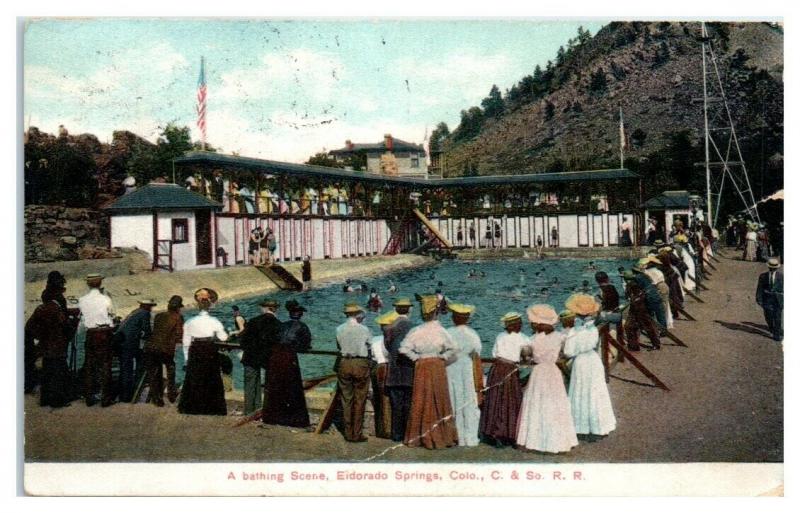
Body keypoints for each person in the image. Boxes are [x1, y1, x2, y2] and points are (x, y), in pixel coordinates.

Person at [516, 304, 578, 453]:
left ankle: (536, 439)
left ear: (538, 323)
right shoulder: (561, 337)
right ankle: (559, 440)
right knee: (556, 404)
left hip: (538, 372)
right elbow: (564, 355)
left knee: (537, 403)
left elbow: (525, 360)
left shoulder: (530, 340)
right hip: (553, 371)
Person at [399, 295, 458, 449]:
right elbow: (454, 349)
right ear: (436, 312)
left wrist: (416, 358)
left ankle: (418, 436)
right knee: (439, 398)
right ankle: (441, 436)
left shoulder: (416, 330)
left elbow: (403, 349)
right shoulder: (441, 331)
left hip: (422, 365)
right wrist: (442, 357)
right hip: (437, 365)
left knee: (420, 398)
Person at [563, 295, 617, 438]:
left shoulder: (575, 332)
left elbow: (568, 352)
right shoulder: (593, 329)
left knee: (580, 391)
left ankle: (581, 426)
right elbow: (594, 343)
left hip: (581, 362)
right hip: (593, 360)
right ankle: (599, 425)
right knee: (596, 391)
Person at [179, 288, 229, 415]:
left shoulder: (189, 322)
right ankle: (212, 408)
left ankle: (193, 408)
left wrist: (186, 359)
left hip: (195, 349)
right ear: (209, 307)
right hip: (209, 348)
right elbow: (224, 337)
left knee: (195, 378)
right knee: (211, 378)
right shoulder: (214, 321)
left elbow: (186, 343)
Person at [262, 300, 312, 428]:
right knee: (293, 387)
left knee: (276, 387)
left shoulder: (281, 325)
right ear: (300, 314)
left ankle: (273, 417)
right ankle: (295, 419)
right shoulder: (302, 326)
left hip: (275, 357)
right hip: (289, 356)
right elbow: (305, 346)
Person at [480, 312, 526, 447]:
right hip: (511, 370)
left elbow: (494, 353)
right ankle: (510, 433)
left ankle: (494, 432)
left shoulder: (500, 336)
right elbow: (526, 359)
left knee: (496, 400)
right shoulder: (524, 339)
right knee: (512, 401)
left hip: (498, 369)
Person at [26, 291, 75, 408]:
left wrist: (39, 337)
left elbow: (29, 326)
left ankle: (45, 399)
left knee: (47, 373)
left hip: (45, 347)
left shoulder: (40, 309)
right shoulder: (57, 309)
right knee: (59, 373)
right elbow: (65, 326)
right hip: (57, 346)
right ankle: (58, 401)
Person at [445, 304, 482, 447]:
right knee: (468, 400)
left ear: (453, 318)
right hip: (466, 366)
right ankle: (470, 437)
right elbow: (477, 352)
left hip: (451, 366)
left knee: (453, 398)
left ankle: (456, 436)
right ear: (467, 319)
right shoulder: (472, 334)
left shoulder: (448, 333)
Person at [336, 303, 373, 442]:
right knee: (360, 399)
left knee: (346, 399)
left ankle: (348, 432)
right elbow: (369, 347)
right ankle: (356, 433)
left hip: (344, 362)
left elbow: (338, 346)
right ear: (358, 314)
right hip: (360, 363)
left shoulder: (339, 329)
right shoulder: (364, 329)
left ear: (346, 314)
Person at [78, 273, 116, 407]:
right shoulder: (106, 299)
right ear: (100, 284)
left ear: (88, 284)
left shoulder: (82, 300)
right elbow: (112, 315)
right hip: (104, 333)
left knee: (90, 366)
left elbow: (83, 317)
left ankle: (89, 397)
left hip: (90, 333)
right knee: (106, 365)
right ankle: (106, 398)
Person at [239, 299, 281, 416]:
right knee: (269, 385)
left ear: (263, 308)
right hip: (268, 358)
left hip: (251, 356)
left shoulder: (253, 321)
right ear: (275, 309)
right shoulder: (278, 324)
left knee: (251, 385)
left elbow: (243, 341)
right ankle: (264, 410)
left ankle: (249, 412)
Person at [143, 295, 184, 406]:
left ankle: (157, 398)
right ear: (178, 307)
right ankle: (171, 393)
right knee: (171, 367)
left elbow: (156, 332)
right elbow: (179, 335)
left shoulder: (159, 315)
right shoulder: (178, 317)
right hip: (164, 349)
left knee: (155, 371)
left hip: (151, 347)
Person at [384, 298, 415, 442]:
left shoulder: (389, 327)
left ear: (396, 310)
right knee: (409, 403)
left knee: (396, 404)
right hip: (409, 369)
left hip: (394, 370)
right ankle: (408, 434)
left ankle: (396, 434)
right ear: (409, 309)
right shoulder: (414, 327)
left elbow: (388, 347)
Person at [116, 298, 155, 403]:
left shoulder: (134, 312)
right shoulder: (145, 313)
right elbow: (147, 329)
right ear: (147, 306)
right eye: (150, 306)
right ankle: (132, 393)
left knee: (125, 369)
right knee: (138, 365)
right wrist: (151, 338)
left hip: (121, 341)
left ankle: (123, 396)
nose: (151, 309)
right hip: (130, 343)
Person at [371, 311, 396, 439]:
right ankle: (390, 428)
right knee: (390, 399)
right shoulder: (392, 341)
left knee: (379, 399)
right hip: (389, 368)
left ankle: (381, 429)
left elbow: (373, 356)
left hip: (378, 368)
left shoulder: (374, 339)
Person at [623, 271, 661, 351]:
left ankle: (634, 346)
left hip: (638, 308)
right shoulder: (638, 284)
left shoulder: (630, 285)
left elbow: (628, 296)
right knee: (647, 327)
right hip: (641, 307)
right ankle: (655, 344)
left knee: (631, 326)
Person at [595, 271, 625, 347]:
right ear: (607, 279)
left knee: (593, 323)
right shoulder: (613, 287)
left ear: (596, 281)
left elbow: (599, 308)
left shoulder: (600, 291)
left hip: (608, 316)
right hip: (618, 315)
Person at [756, 258, 783, 341]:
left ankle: (777, 335)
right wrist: (759, 299)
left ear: (777, 268)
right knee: (768, 316)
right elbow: (759, 288)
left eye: (774, 268)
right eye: (771, 267)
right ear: (768, 267)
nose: (772, 269)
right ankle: (772, 328)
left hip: (778, 300)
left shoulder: (781, 277)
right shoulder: (763, 276)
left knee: (777, 317)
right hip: (767, 299)